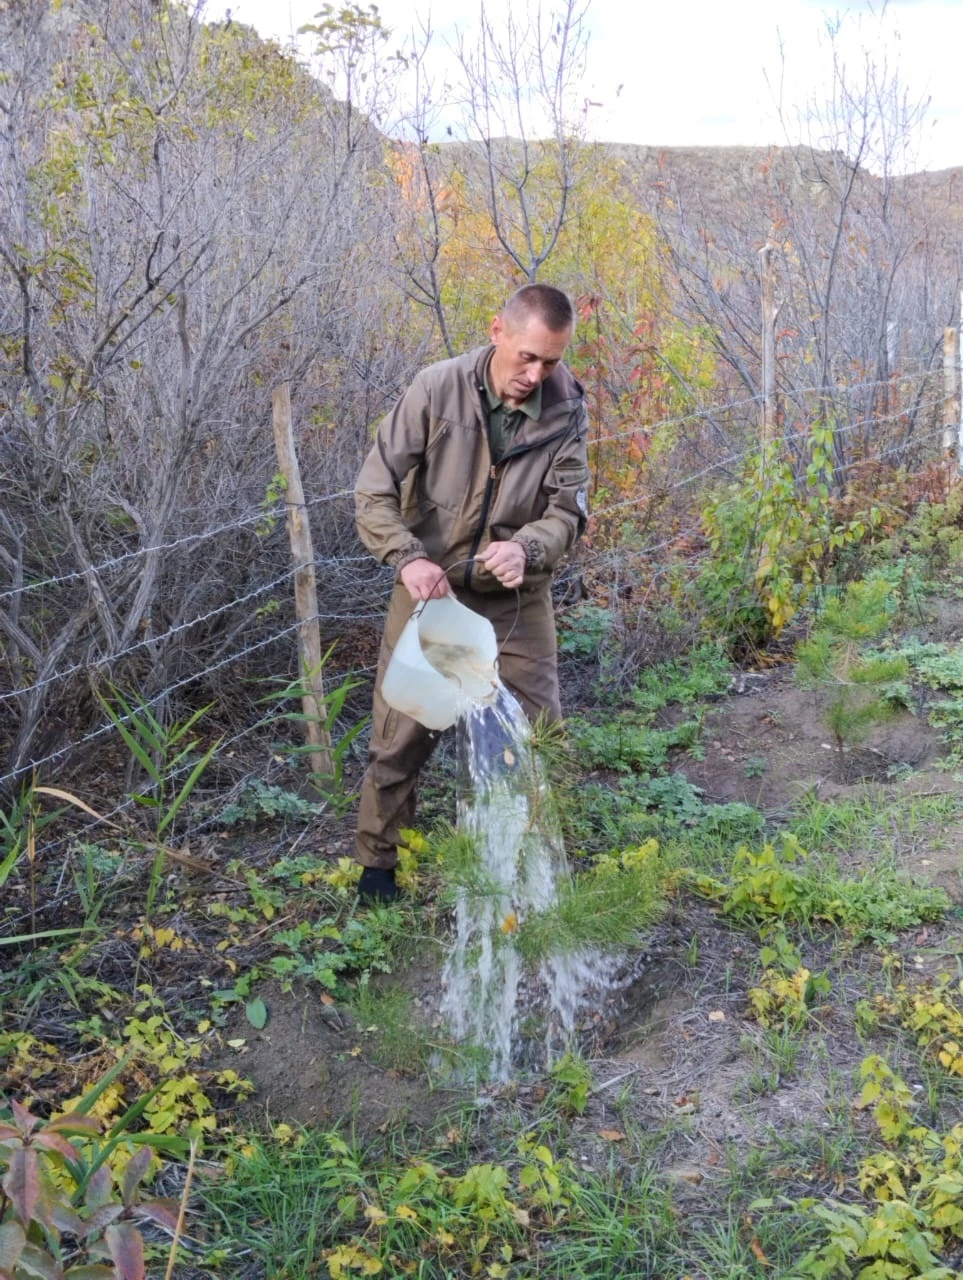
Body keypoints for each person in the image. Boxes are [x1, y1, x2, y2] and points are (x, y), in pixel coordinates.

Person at [353, 283, 589, 901]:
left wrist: (528, 548)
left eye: (552, 362)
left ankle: (529, 870)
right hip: (430, 592)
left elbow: (569, 512)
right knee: (402, 733)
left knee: (538, 738)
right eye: (527, 358)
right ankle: (378, 870)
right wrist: (407, 559)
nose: (536, 375)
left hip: (516, 600)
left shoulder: (568, 408)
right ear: (497, 332)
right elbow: (373, 491)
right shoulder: (435, 389)